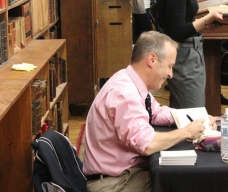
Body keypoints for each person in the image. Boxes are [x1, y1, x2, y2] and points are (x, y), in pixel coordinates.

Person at [83, 31, 216, 191]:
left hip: (124, 175)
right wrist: (187, 132)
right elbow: (148, 144)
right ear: (152, 59)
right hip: (114, 183)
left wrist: (197, 118)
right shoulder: (124, 93)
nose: (170, 74)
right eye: (169, 66)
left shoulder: (130, 81)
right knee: (186, 183)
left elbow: (156, 113)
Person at [157, 0, 228, 109]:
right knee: (192, 113)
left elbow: (181, 20)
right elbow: (177, 31)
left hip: (188, 51)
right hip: (185, 54)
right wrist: (207, 19)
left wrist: (201, 23)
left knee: (184, 110)